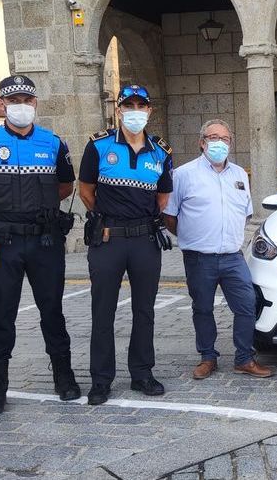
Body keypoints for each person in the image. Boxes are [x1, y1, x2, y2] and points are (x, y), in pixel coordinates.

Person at [0, 75, 80, 414]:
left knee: (52, 309)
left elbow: (65, 186)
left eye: (27, 99)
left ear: (35, 103)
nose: (21, 106)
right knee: (2, 314)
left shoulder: (52, 142)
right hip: (2, 242)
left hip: (44, 240)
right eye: (14, 100)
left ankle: (64, 375)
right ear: (1, 103)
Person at [79, 85, 173, 405]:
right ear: (119, 110)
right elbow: (86, 191)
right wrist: (109, 219)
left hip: (145, 240)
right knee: (102, 312)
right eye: (128, 104)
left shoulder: (161, 152)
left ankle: (142, 373)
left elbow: (162, 197)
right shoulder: (99, 146)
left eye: (141, 105)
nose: (135, 110)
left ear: (150, 111)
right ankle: (101, 379)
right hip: (108, 240)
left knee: (144, 311)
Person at [164, 119, 273, 380]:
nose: (219, 143)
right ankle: (208, 357)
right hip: (199, 257)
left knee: (247, 305)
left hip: (233, 257)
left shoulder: (239, 175)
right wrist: (194, 235)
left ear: (230, 143)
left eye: (224, 139)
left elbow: (245, 214)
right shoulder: (183, 175)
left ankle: (244, 358)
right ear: (202, 143)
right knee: (202, 308)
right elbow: (169, 216)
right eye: (213, 137)